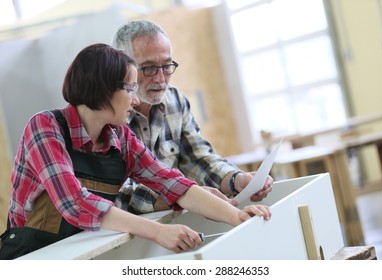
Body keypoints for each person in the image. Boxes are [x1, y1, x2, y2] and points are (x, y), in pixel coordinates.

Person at [0, 43, 271, 260]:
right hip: (31, 257)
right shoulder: (45, 127)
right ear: (102, 86)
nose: (136, 98)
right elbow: (74, 203)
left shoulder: (121, 137)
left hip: (83, 251)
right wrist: (158, 232)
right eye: (129, 88)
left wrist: (237, 216)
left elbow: (173, 183)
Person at [111, 19, 273, 214]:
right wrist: (183, 196)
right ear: (124, 69)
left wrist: (236, 180)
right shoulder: (109, 115)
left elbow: (198, 158)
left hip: (175, 221)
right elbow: (116, 192)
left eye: (167, 66)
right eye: (149, 68)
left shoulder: (176, 100)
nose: (161, 78)